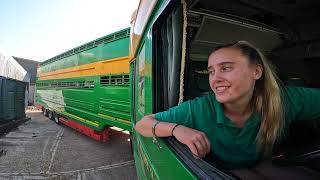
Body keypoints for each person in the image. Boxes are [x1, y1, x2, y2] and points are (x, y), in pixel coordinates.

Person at [135, 41, 320, 178]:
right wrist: (177, 129)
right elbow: (142, 124)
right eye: (211, 72)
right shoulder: (200, 108)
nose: (215, 79)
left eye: (226, 68)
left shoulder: (284, 100)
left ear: (256, 72)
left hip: (266, 165)